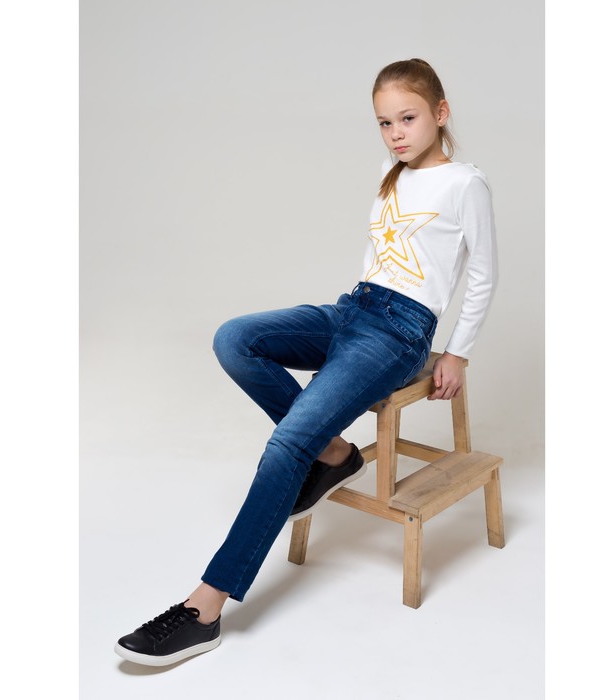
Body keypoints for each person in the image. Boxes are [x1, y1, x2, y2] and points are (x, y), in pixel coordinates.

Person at [114, 57, 498, 667]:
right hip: (353, 308)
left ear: (440, 113)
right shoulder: (391, 173)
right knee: (234, 339)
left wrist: (458, 351)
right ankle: (334, 453)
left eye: (408, 118)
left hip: (400, 332)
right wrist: (349, 318)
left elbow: (483, 272)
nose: (396, 133)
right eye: (384, 123)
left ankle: (205, 609)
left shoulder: (464, 184)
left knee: (287, 443)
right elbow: (383, 257)